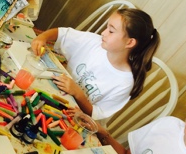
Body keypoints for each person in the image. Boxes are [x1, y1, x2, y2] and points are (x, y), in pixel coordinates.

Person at [31, 8, 160, 121]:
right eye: (107, 27)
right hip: (52, 93)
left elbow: (94, 114)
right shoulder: (95, 42)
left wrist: (78, 93)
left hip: (71, 116)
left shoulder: (125, 82)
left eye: (111, 31)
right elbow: (62, 34)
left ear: (130, 42)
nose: (103, 33)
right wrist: (42, 37)